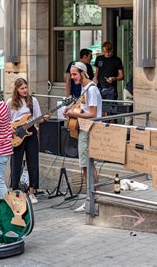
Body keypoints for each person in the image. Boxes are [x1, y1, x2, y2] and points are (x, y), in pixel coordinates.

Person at [64, 62, 102, 212]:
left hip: (89, 129)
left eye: (74, 74)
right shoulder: (84, 88)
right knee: (86, 165)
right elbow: (82, 106)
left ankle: (91, 198)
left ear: (83, 73)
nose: (72, 77)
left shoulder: (91, 90)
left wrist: (73, 113)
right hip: (84, 129)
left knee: (87, 165)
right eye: (71, 74)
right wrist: (71, 107)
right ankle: (91, 197)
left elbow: (92, 114)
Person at [6, 78, 46, 204]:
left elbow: (37, 118)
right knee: (15, 163)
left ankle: (32, 192)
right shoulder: (10, 102)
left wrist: (43, 119)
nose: (25, 90)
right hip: (16, 134)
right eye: (22, 88)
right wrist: (12, 129)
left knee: (33, 162)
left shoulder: (33, 100)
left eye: (26, 87)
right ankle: (15, 191)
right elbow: (7, 120)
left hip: (31, 132)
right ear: (16, 89)